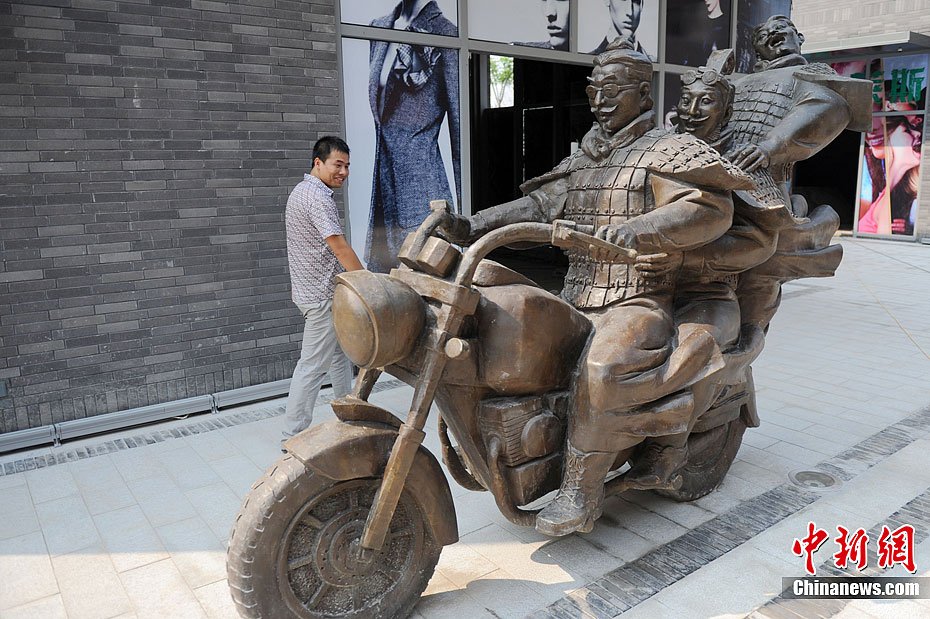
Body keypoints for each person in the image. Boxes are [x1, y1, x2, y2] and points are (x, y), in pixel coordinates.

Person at [440, 38, 753, 536]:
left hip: (641, 299)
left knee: (603, 369)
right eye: (593, 88)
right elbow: (539, 206)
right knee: (501, 329)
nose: (599, 99)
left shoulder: (668, 148)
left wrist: (640, 229)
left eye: (611, 88)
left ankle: (580, 493)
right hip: (578, 296)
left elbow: (708, 207)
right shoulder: (585, 157)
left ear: (642, 92)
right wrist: (471, 225)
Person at [724, 14, 871, 330]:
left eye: (783, 28)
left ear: (799, 38)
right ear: (756, 48)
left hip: (761, 187)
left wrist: (769, 147)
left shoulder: (812, 74)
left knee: (757, 273)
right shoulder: (737, 80)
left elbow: (828, 106)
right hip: (714, 179)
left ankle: (747, 338)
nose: (775, 33)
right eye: (765, 32)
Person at [367, 0, 461, 273]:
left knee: (426, 293)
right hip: (384, 194)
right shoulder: (379, 27)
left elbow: (459, 131)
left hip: (423, 197)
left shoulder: (445, 33)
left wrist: (465, 221)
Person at [282, 137, 365, 445]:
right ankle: (292, 435)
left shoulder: (303, 191)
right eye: (337, 165)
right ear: (318, 163)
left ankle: (349, 415)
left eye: (347, 166)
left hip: (318, 292)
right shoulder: (317, 197)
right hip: (320, 297)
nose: (342, 172)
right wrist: (368, 283)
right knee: (312, 365)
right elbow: (339, 247)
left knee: (339, 356)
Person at [858, 113, 922, 235]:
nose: (917, 134)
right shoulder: (887, 201)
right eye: (907, 131)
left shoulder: (895, 194)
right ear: (889, 140)